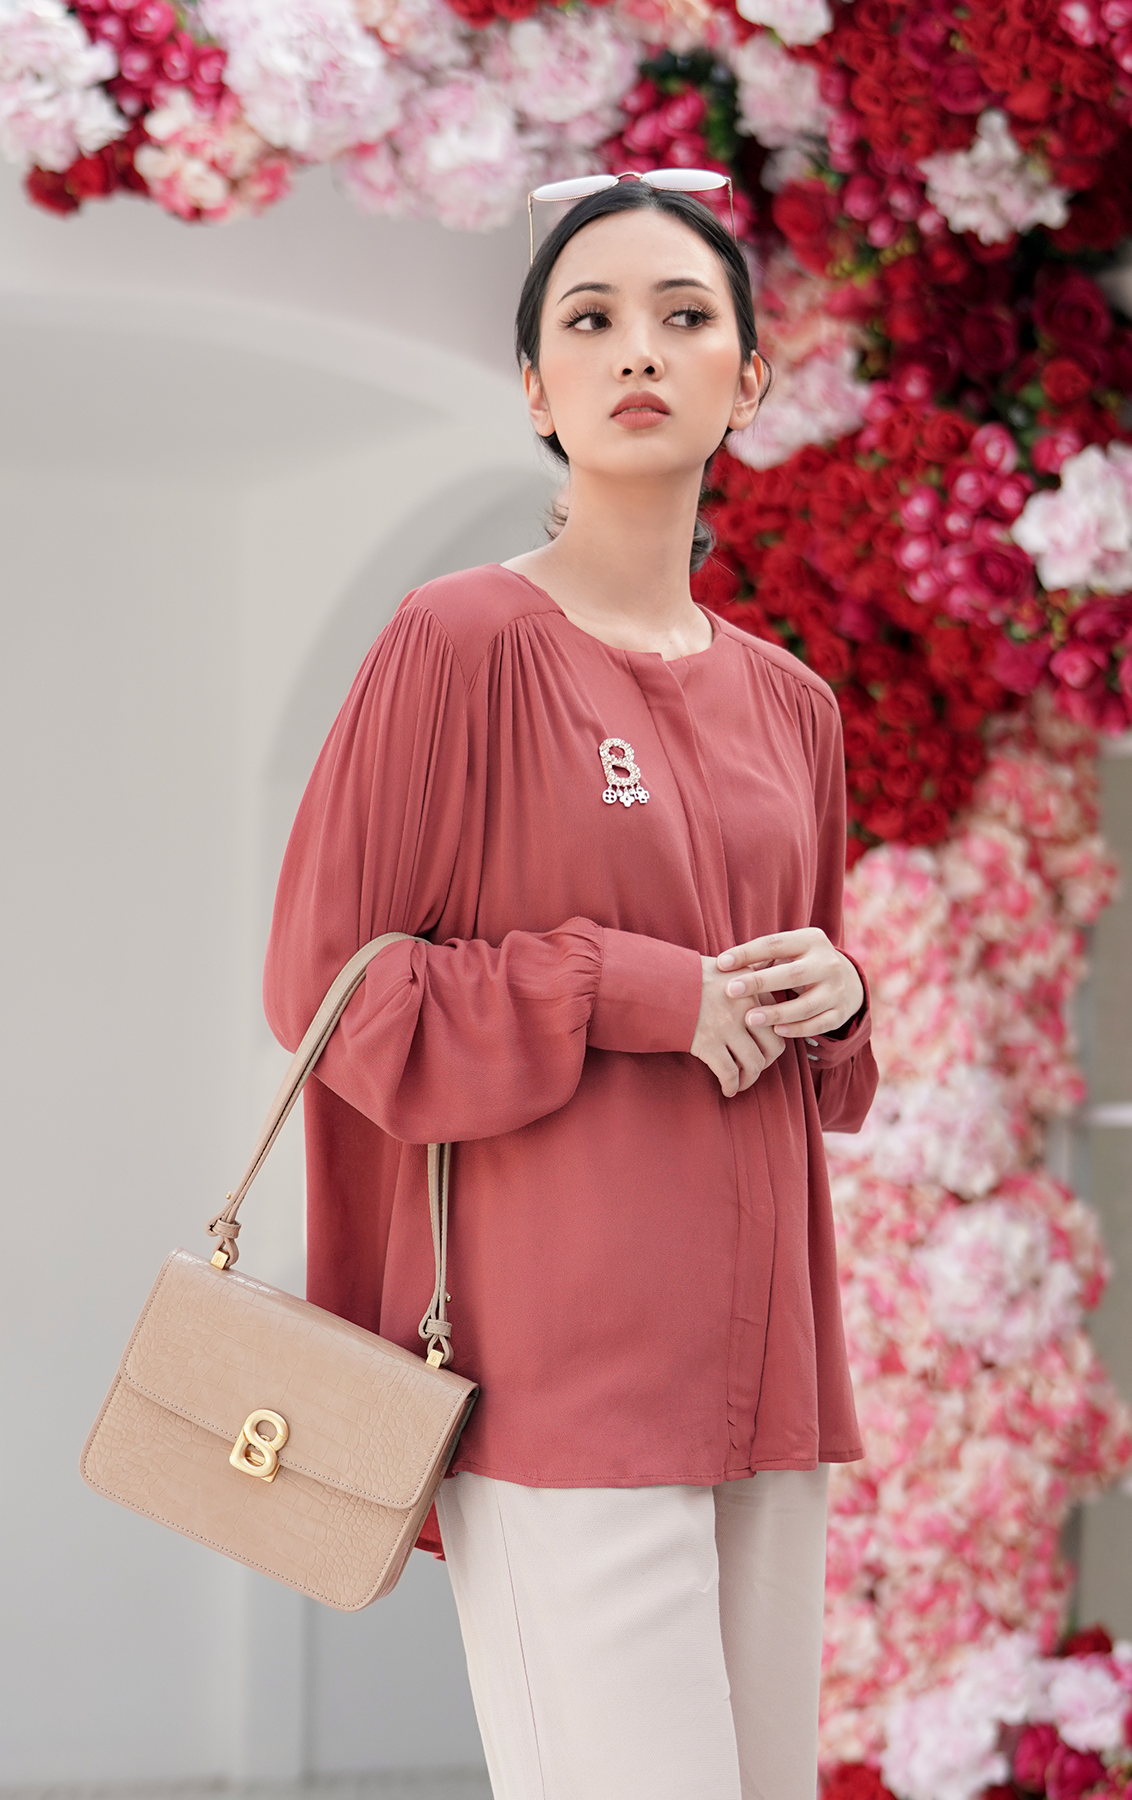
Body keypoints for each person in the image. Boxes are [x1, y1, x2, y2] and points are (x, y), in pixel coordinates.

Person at [263, 176, 877, 1800]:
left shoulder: (794, 706)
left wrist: (836, 992)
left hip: (769, 1373)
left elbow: (817, 1052)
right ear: (535, 387)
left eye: (685, 317)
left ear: (750, 377)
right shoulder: (457, 640)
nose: (639, 351)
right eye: (590, 320)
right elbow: (327, 990)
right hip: (561, 1368)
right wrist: (622, 987)